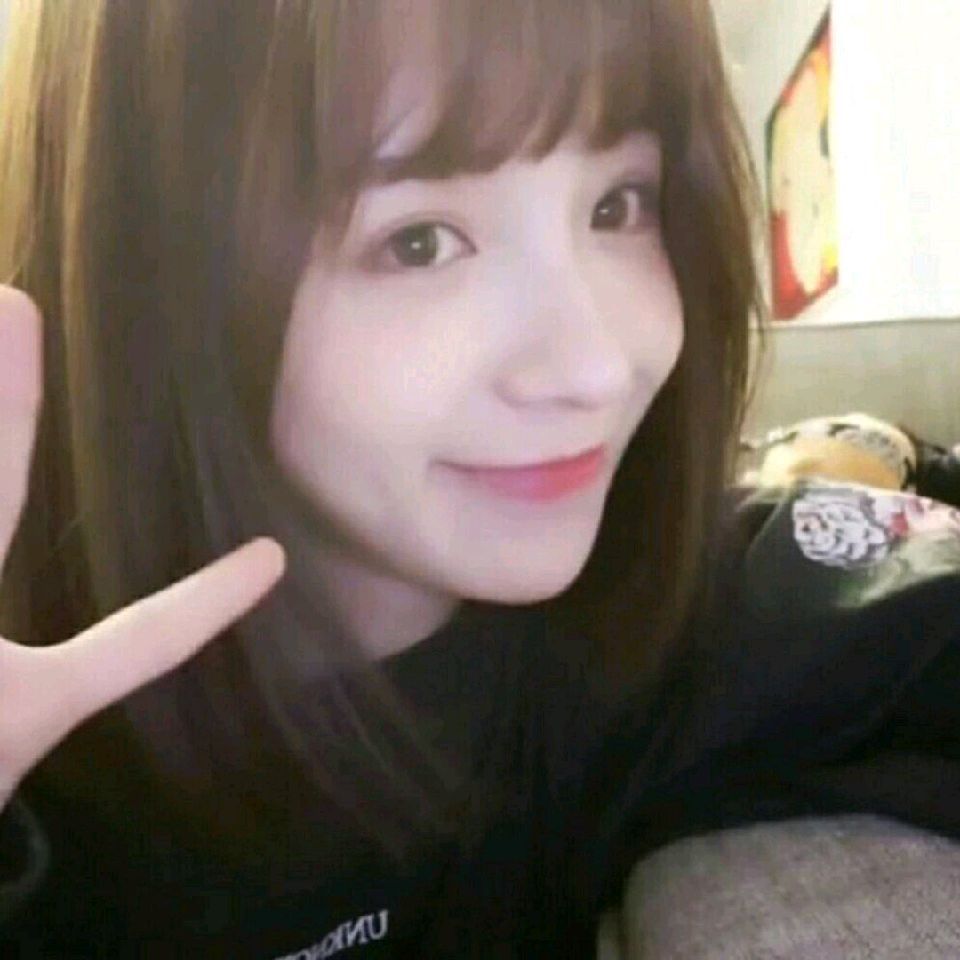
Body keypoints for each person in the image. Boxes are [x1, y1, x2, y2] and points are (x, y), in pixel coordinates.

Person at [0, 1, 957, 957]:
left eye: (618, 205)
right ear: (145, 273)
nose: (595, 366)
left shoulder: (653, 631)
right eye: (417, 240)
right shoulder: (45, 774)